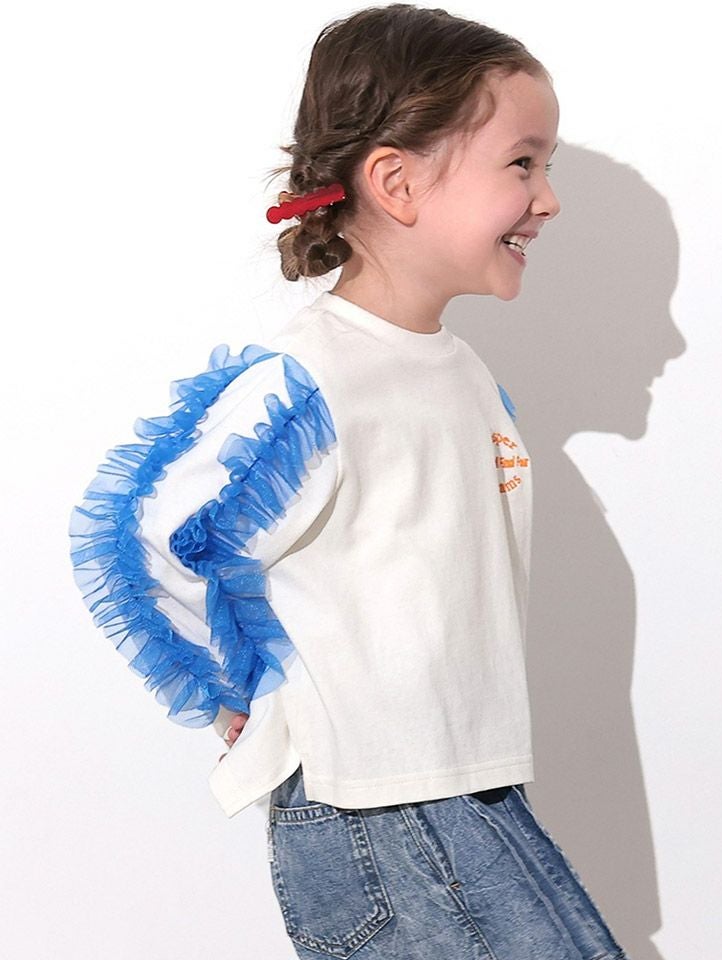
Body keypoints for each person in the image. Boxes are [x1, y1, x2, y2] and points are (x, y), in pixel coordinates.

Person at [68, 4, 630, 958]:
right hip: (379, 805)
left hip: (462, 788)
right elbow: (152, 532)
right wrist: (232, 691)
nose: (549, 199)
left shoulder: (458, 372)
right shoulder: (319, 377)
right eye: (522, 163)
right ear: (397, 182)